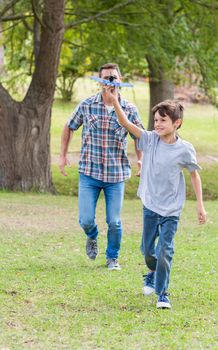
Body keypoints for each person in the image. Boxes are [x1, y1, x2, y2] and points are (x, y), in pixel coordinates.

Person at [105, 91, 207, 308]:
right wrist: (114, 102)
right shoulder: (150, 140)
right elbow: (126, 123)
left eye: (163, 120)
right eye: (156, 120)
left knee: (165, 250)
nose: (157, 124)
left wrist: (200, 205)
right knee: (148, 250)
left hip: (171, 209)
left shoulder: (185, 149)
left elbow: (194, 174)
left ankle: (163, 293)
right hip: (150, 205)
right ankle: (151, 273)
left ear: (177, 123)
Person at [59, 62, 143, 271]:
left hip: (116, 174)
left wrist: (141, 159)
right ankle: (92, 236)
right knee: (86, 219)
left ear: (120, 80)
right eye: (106, 78)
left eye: (114, 77)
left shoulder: (130, 110)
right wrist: (62, 155)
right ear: (100, 82)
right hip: (90, 172)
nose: (110, 82)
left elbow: (139, 136)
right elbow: (69, 127)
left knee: (114, 221)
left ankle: (112, 257)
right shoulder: (88, 105)